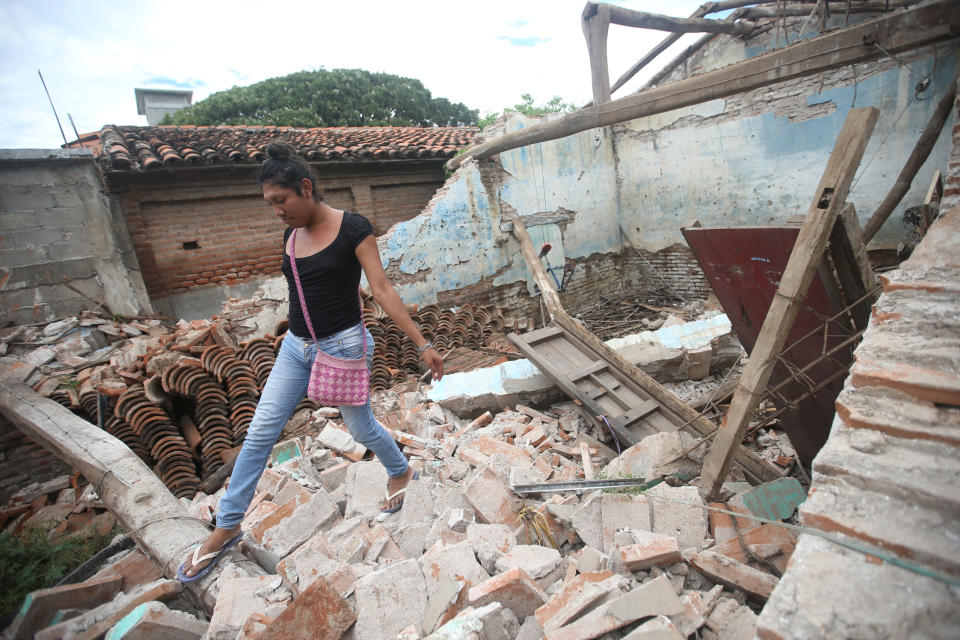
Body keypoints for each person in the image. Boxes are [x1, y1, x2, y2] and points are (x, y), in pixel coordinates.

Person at [178, 142, 443, 582]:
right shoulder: (290, 235)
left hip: (343, 346)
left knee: (360, 429)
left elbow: (381, 289)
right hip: (295, 348)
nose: (277, 212)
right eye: (270, 204)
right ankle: (226, 526)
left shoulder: (354, 228)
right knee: (261, 428)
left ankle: (399, 469)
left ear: (305, 187)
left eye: (281, 201)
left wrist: (421, 343)